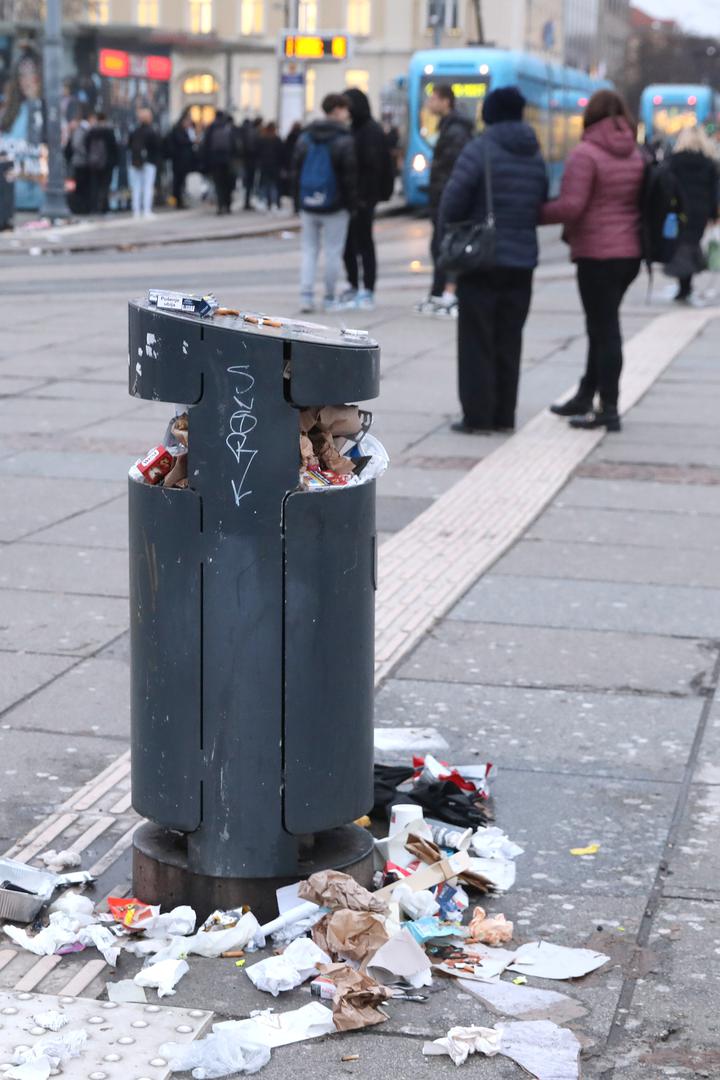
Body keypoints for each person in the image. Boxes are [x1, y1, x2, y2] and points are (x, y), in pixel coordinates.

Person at [438, 87, 548, 435]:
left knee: (477, 339)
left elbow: (452, 203)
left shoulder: (480, 148)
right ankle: (503, 416)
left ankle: (477, 417)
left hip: (482, 260)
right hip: (522, 261)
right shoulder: (533, 152)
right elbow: (541, 199)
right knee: (509, 339)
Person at [542, 90, 645, 432]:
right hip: (629, 253)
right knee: (600, 326)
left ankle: (609, 408)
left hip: (597, 255)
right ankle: (586, 393)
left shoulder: (586, 153)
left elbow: (571, 206)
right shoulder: (634, 151)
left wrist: (532, 213)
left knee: (605, 330)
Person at [292, 92, 358, 313]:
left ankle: (306, 296)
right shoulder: (344, 139)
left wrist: (297, 200)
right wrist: (352, 203)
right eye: (346, 110)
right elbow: (350, 176)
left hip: (308, 202)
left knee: (309, 250)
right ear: (337, 110)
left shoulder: (306, 137)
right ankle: (329, 296)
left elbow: (296, 169)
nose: (348, 114)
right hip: (336, 205)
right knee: (332, 251)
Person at [416, 83, 473, 318]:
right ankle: (438, 291)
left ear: (445, 101)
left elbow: (453, 168)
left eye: (433, 99)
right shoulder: (449, 127)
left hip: (446, 196)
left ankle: (448, 293)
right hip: (441, 195)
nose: (429, 104)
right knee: (439, 244)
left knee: (446, 244)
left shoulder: (455, 131)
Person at [339, 88, 394, 310]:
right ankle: (355, 284)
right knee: (350, 244)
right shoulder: (357, 129)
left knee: (363, 243)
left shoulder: (369, 131)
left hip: (363, 198)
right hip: (354, 197)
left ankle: (366, 288)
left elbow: (374, 167)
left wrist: (365, 197)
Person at [663, 126, 719, 303]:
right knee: (692, 244)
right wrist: (713, 213)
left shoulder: (674, 161)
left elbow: (666, 186)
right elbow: (715, 191)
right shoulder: (709, 163)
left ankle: (684, 284)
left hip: (678, 210)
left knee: (681, 245)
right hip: (700, 212)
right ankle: (686, 283)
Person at [128, 108, 162, 219]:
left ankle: (136, 211)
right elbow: (157, 146)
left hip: (135, 162)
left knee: (136, 187)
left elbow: (129, 146)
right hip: (149, 162)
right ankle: (147, 210)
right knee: (148, 186)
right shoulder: (152, 131)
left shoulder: (135, 131)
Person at [202, 110, 236, 214]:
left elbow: (205, 145)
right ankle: (228, 205)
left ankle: (220, 206)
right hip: (228, 160)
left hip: (215, 160)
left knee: (218, 184)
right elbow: (234, 145)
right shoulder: (229, 127)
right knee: (228, 184)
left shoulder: (211, 128)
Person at [85, 112, 118, 214]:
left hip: (93, 163)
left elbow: (86, 145)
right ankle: (104, 207)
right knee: (105, 186)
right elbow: (114, 148)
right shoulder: (109, 131)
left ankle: (94, 207)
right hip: (107, 163)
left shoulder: (91, 131)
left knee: (94, 185)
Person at [167, 106, 196, 209]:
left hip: (182, 161)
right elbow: (181, 142)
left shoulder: (186, 130)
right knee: (178, 182)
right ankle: (177, 201)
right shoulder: (178, 130)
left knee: (181, 181)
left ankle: (180, 200)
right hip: (179, 160)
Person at [65, 111, 91, 215]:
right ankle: (78, 208)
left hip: (79, 163)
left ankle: (79, 208)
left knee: (79, 187)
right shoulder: (81, 130)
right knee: (78, 188)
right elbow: (76, 146)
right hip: (79, 163)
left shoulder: (79, 130)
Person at [258, 121, 284, 210]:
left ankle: (268, 202)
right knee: (276, 185)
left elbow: (258, 152)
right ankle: (277, 202)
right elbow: (281, 153)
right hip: (275, 165)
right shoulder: (277, 139)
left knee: (267, 184)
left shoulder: (262, 139)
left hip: (265, 165)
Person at [240, 116, 262, 209]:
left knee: (247, 182)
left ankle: (247, 201)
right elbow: (253, 148)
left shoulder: (245, 131)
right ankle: (247, 202)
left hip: (245, 160)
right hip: (251, 161)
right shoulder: (254, 132)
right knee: (250, 182)